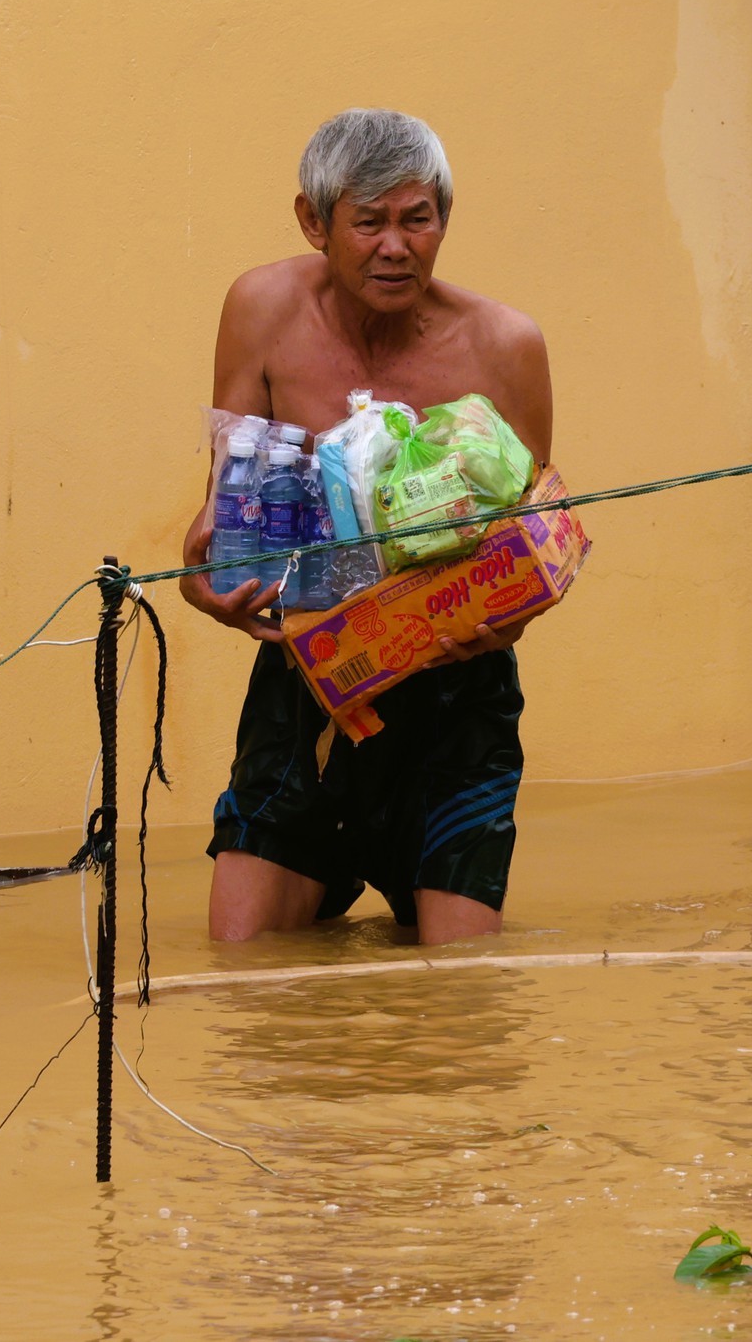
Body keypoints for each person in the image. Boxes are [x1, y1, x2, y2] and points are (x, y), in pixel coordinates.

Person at [182, 108, 555, 946]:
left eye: (416, 219)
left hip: (458, 704)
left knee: (458, 999)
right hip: (310, 678)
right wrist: (206, 577)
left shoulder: (505, 346)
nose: (397, 246)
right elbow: (225, 504)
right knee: (237, 968)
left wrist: (502, 617)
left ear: (443, 222)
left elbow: (535, 544)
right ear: (314, 222)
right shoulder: (261, 309)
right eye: (370, 221)